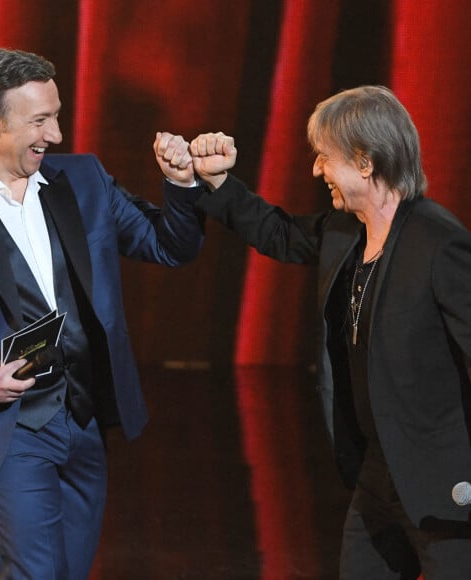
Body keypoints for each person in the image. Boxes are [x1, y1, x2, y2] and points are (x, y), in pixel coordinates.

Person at [0, 48, 204, 579]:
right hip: (5, 434)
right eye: (40, 120)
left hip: (83, 425)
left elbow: (168, 246)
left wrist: (180, 184)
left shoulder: (83, 181)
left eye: (56, 116)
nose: (56, 135)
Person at [190, 86, 471, 578]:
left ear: (365, 162)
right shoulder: (346, 232)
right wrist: (218, 183)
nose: (316, 171)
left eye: (325, 158)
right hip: (378, 475)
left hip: (444, 485)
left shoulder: (439, 243)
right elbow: (275, 231)